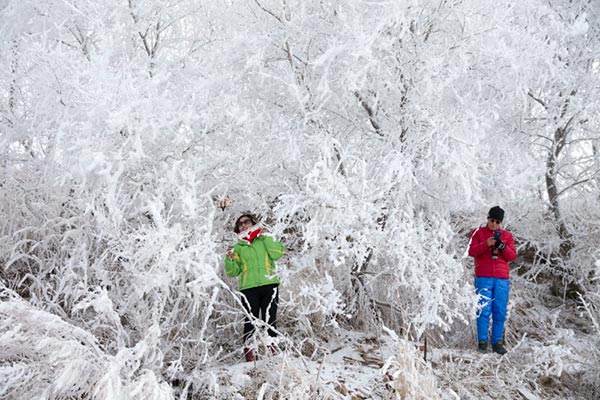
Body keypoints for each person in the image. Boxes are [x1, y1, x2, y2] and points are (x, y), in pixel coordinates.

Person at [224, 214, 286, 362]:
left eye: (246, 222)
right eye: (240, 224)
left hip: (269, 285)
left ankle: (272, 355)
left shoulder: (264, 239)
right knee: (250, 322)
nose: (243, 225)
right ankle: (250, 358)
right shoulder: (237, 246)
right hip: (248, 288)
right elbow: (233, 272)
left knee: (269, 320)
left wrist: (267, 237)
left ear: (253, 223)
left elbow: (278, 254)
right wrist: (230, 258)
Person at [468, 206, 517, 355]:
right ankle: (482, 342)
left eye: (497, 221)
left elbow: (512, 256)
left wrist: (502, 246)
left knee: (499, 311)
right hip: (483, 277)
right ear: (487, 219)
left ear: (500, 222)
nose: (494, 224)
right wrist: (486, 244)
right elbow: (471, 251)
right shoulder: (478, 233)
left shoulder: (507, 236)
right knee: (483, 309)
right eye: (491, 220)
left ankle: (497, 342)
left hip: (502, 279)